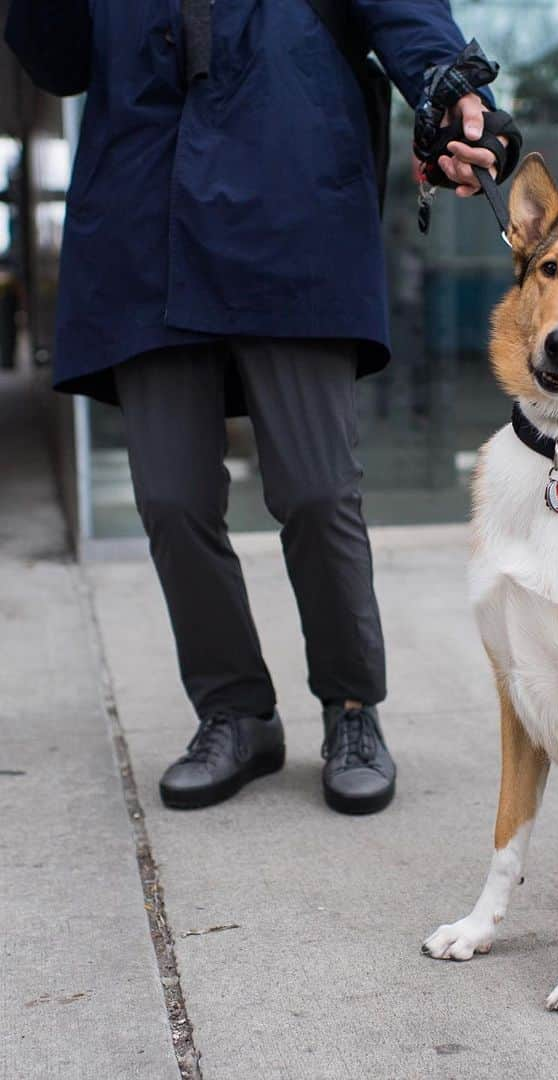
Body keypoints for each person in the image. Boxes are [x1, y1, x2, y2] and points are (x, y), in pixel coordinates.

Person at [5, 0, 514, 815]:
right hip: (146, 228)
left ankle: (352, 709)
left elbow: (408, 19)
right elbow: (58, 61)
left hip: (291, 216)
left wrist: (454, 94)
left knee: (316, 490)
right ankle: (235, 711)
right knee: (170, 500)